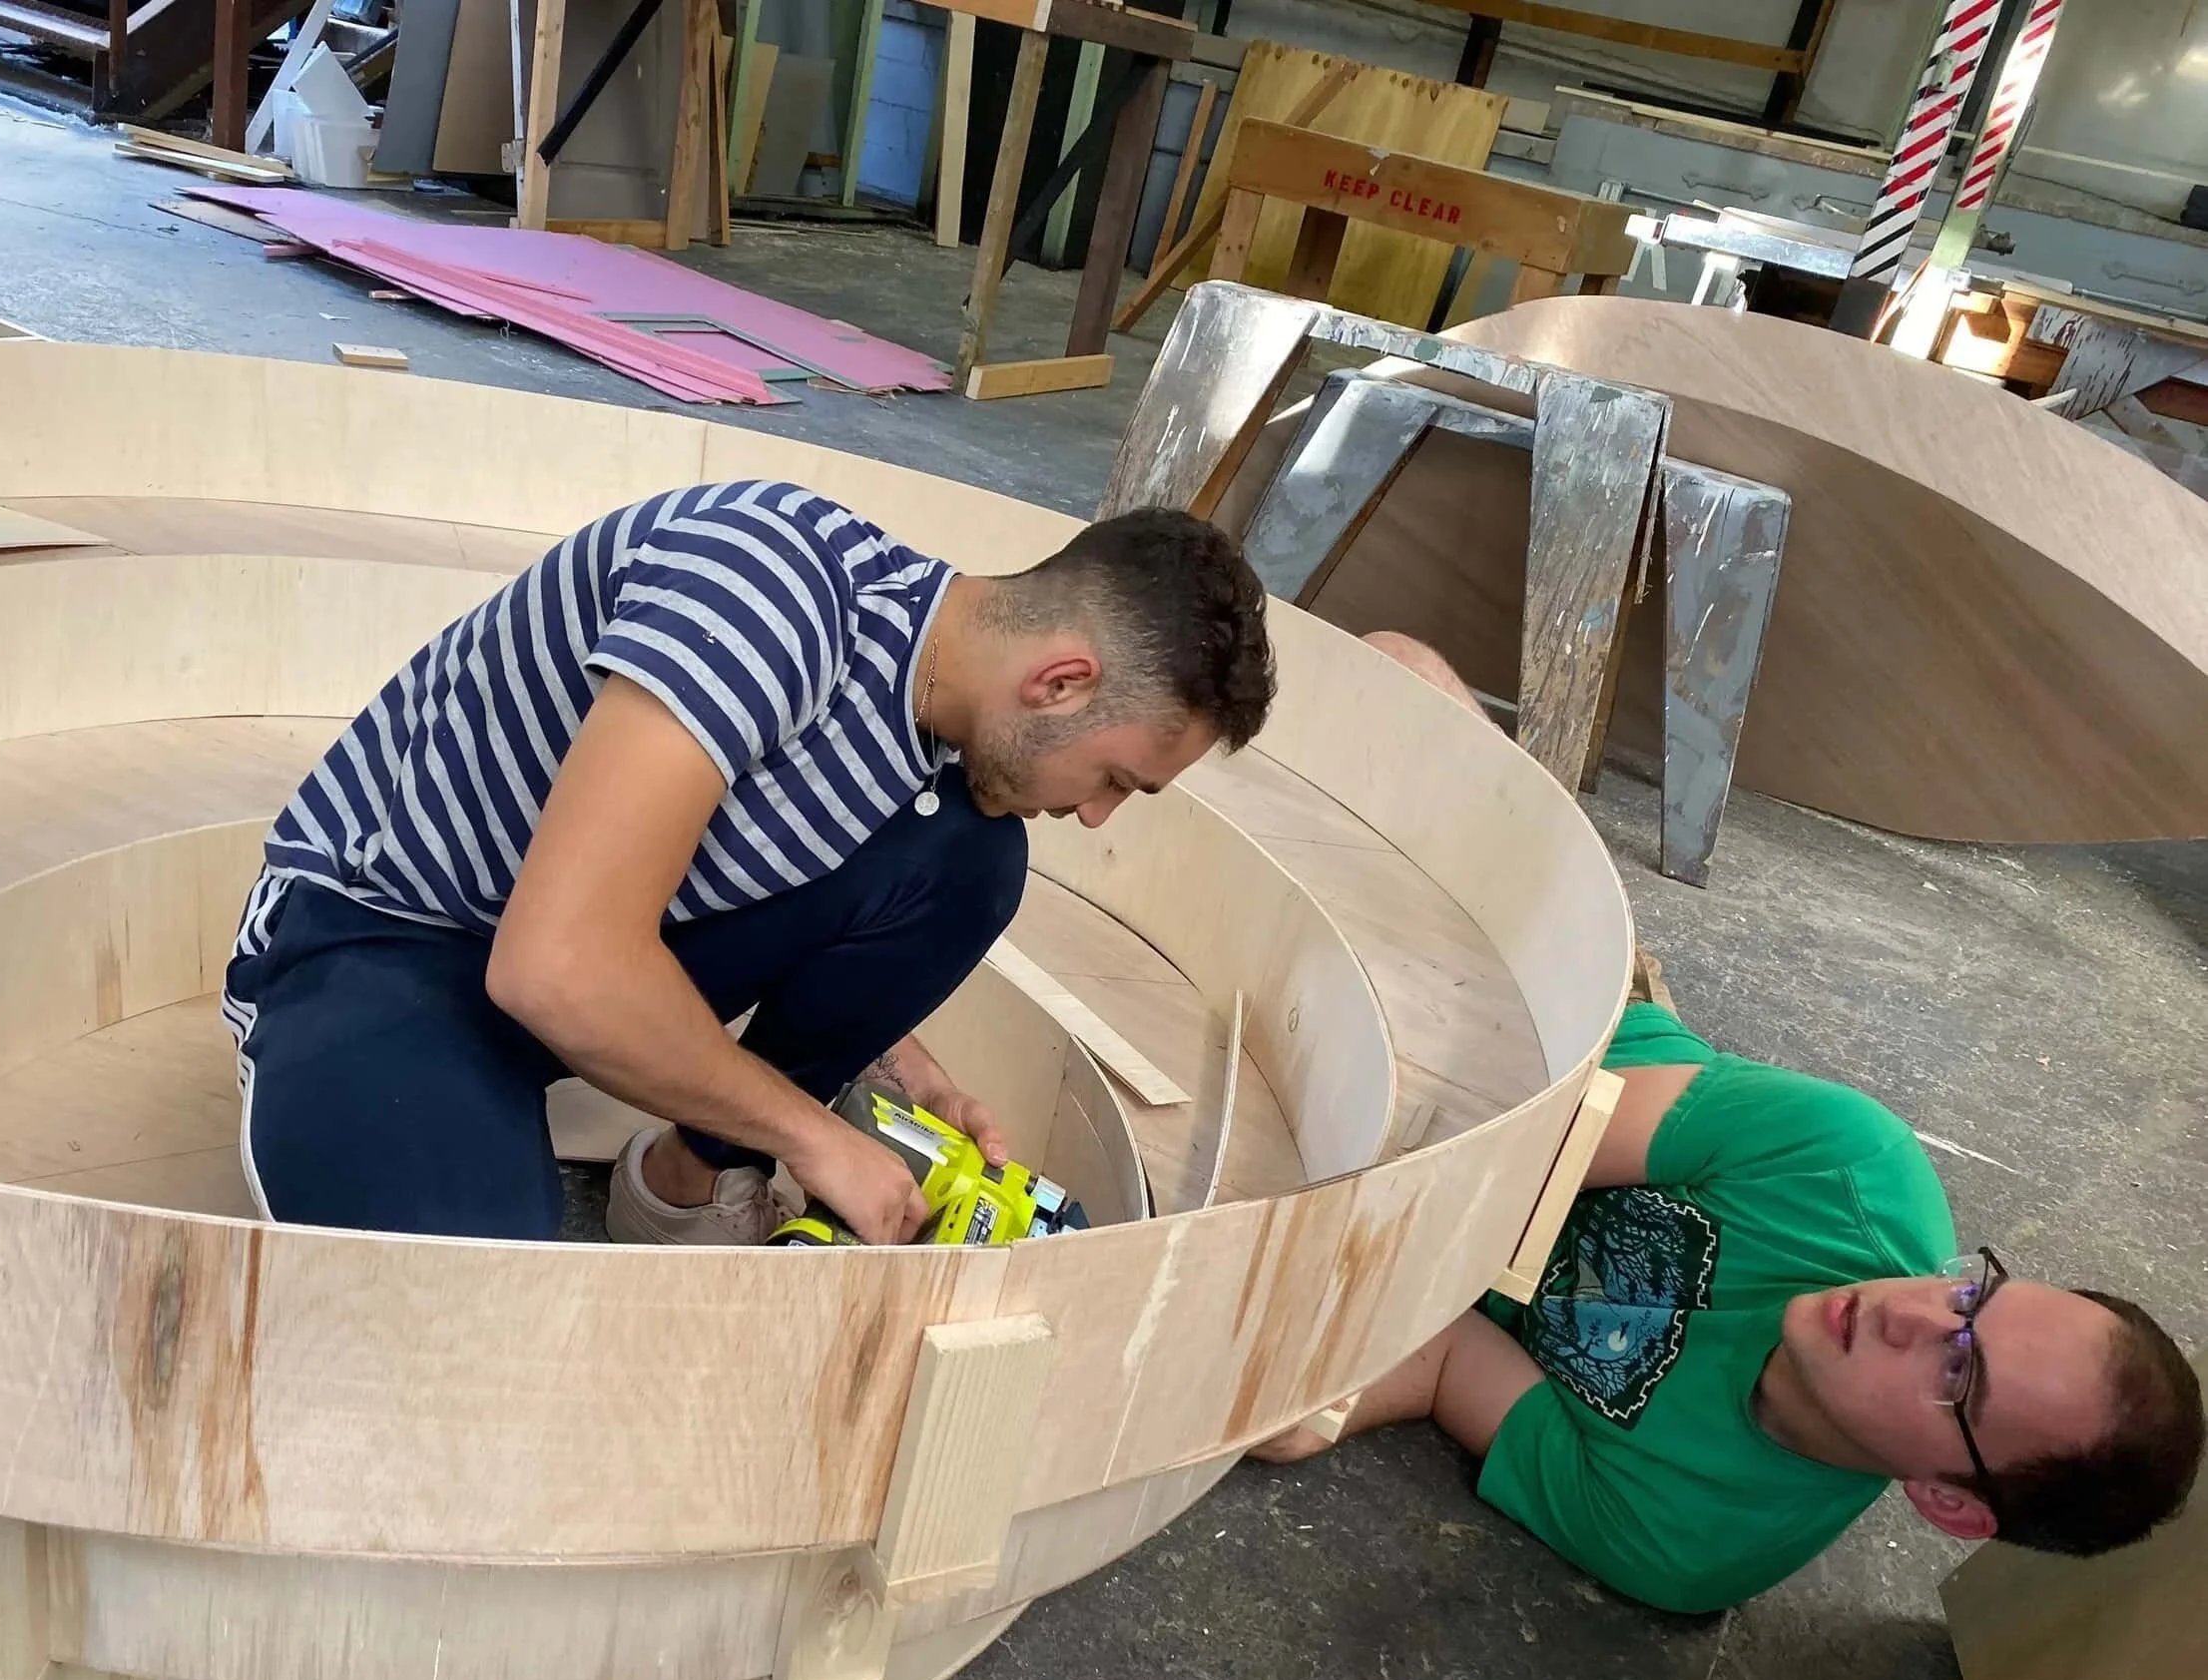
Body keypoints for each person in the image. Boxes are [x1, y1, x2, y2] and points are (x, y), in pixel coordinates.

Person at [1251, 633, 2206, 1614]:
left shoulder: (1687, 1536)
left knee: (1260, 1401)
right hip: (1531, 1041)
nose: (1912, 1312)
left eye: (1957, 1373)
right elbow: (1518, 1137)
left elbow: (1449, 1359)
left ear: (1946, 1502)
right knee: (1393, 680)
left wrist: (1320, 1392)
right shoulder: (1852, 1172)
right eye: (1973, 1296)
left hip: (1435, 1250)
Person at [223, 479, 1273, 1248]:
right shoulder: (767, 590)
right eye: (1116, 779)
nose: (1093, 814)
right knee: (471, 1299)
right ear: (1060, 683)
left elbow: (745, 847)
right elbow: (554, 967)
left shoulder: (929, 709)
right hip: (387, 939)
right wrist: (814, 1139)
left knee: (969, 856)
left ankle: (683, 1183)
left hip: (565, 939)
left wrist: (890, 1060)